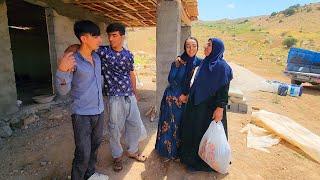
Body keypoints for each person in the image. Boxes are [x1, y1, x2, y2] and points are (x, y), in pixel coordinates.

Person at [56, 20, 108, 180]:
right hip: (82, 115)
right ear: (84, 38)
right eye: (96, 36)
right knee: (83, 153)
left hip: (99, 111)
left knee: (94, 147)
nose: (100, 39)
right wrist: (61, 71)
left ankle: (90, 175)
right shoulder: (72, 61)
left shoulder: (97, 58)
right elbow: (63, 90)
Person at [96, 22, 147, 172]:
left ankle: (132, 151)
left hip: (129, 95)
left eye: (114, 35)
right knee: (114, 129)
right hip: (114, 97)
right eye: (109, 35)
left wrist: (135, 92)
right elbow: (84, 49)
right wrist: (70, 51)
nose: (111, 39)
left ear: (122, 36)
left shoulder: (128, 54)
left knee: (134, 124)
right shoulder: (103, 52)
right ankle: (117, 156)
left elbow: (131, 73)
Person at [179, 38, 233, 172]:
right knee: (194, 133)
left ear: (216, 48)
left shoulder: (222, 67)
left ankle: (205, 164)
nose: (205, 47)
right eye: (207, 44)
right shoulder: (204, 63)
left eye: (209, 45)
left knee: (207, 136)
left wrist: (220, 108)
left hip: (210, 109)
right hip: (197, 107)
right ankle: (192, 160)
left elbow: (223, 90)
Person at [155, 37, 201, 161]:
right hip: (173, 98)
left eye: (194, 46)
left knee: (183, 126)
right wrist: (180, 94)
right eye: (188, 46)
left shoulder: (200, 63)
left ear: (198, 47)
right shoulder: (178, 62)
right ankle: (167, 153)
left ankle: (180, 153)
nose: (191, 49)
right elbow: (171, 80)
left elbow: (199, 83)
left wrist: (188, 96)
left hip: (188, 99)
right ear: (184, 48)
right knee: (170, 125)